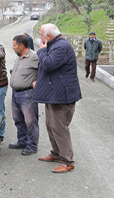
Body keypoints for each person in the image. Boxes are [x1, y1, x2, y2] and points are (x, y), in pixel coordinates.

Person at [34, 24, 82, 173]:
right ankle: (56, 154)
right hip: (53, 95)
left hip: (62, 96)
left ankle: (67, 161)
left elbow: (48, 64)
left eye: (42, 35)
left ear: (48, 37)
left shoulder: (61, 46)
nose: (40, 38)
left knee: (60, 128)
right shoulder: (56, 45)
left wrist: (41, 49)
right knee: (51, 125)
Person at [8, 35, 39, 155]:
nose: (12, 47)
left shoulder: (34, 57)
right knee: (18, 120)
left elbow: (45, 70)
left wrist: (38, 80)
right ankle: (22, 141)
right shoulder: (19, 57)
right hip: (15, 94)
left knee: (30, 121)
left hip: (27, 94)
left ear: (21, 46)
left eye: (14, 45)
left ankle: (32, 145)